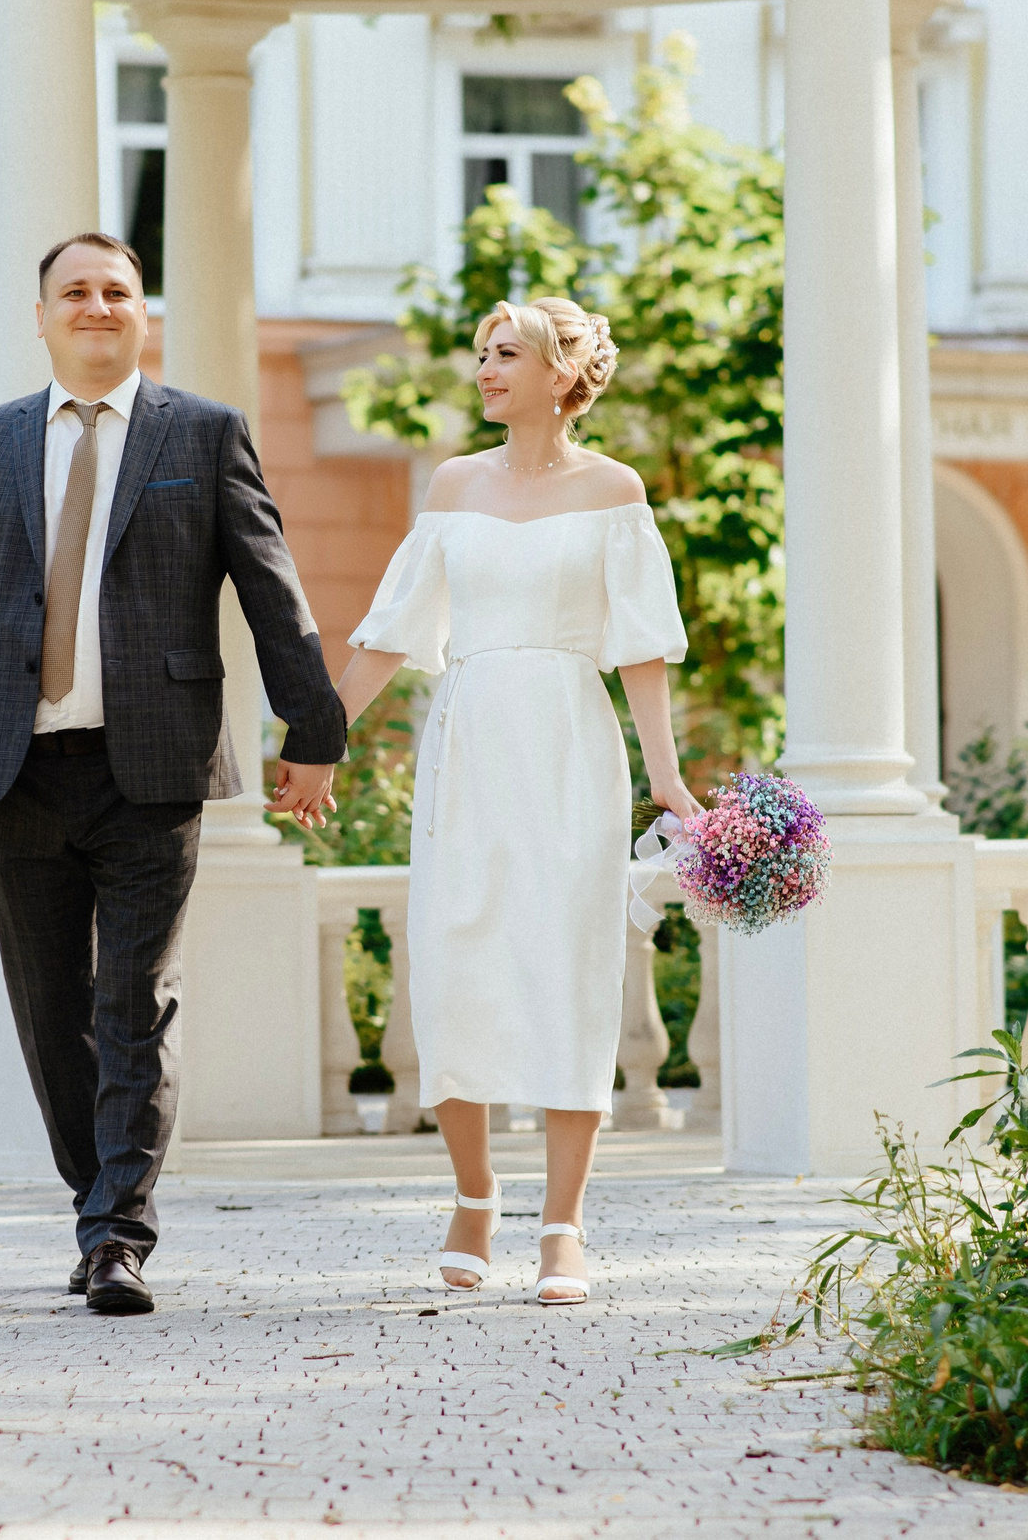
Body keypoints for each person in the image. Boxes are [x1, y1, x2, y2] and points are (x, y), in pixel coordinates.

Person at [0, 232, 346, 1316]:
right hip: (16, 761)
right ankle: (97, 1201)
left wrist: (311, 729)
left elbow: (271, 591)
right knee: (52, 1012)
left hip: (151, 764)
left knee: (133, 998)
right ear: (40, 315)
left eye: (117, 290)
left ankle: (117, 1233)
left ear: (144, 312)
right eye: (75, 291)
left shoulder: (205, 432)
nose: (97, 305)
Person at [333, 297, 698, 1305]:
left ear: (559, 373)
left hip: (569, 741)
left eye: (505, 354)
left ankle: (562, 1226)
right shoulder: (453, 484)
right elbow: (393, 627)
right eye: (481, 353)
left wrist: (665, 775)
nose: (485, 369)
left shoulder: (614, 491)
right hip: (469, 741)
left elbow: (640, 646)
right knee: (456, 958)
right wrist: (316, 737)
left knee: (569, 966)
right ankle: (472, 1199)